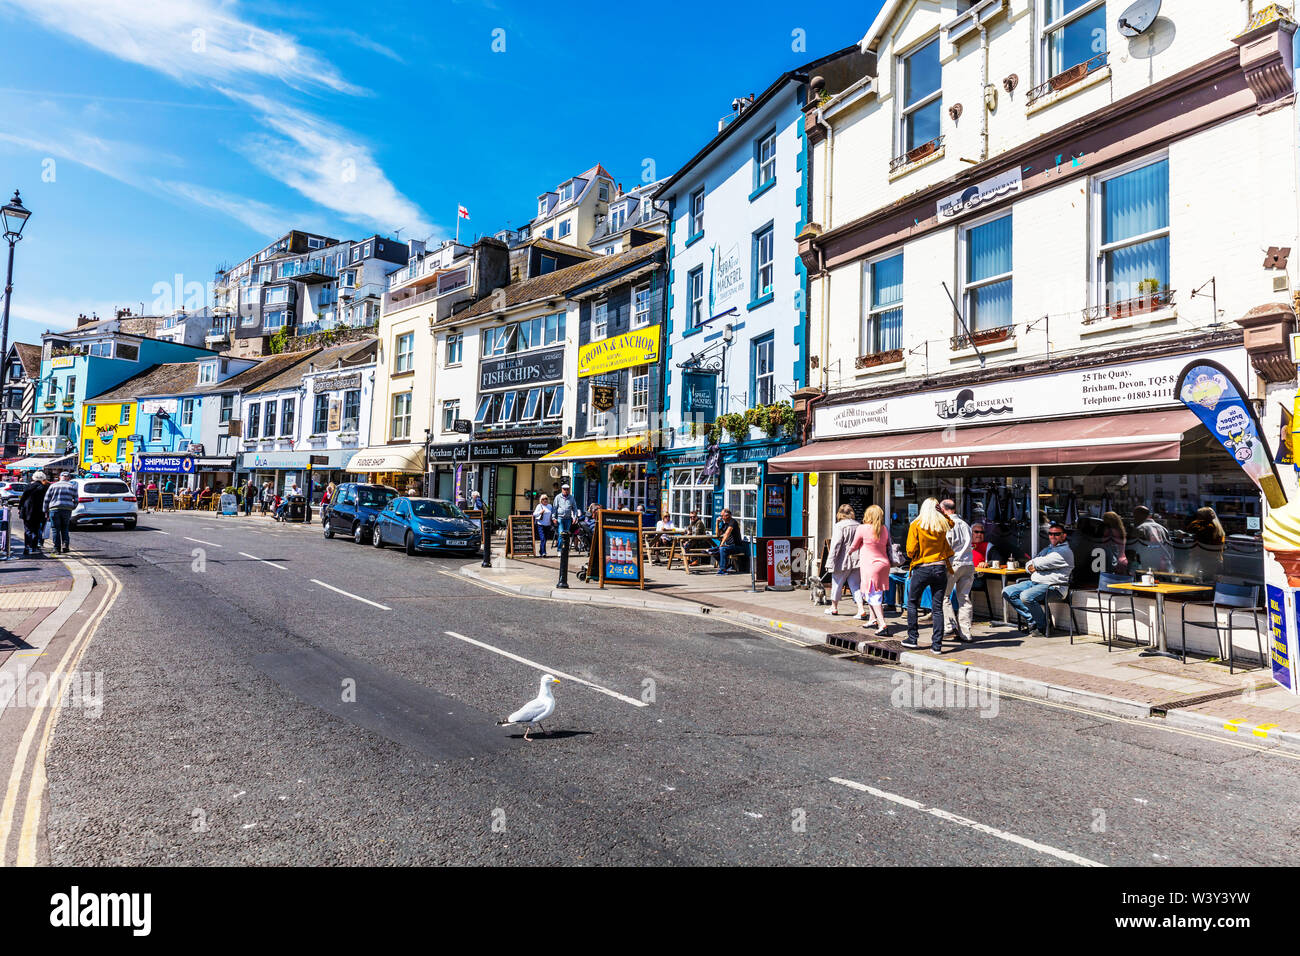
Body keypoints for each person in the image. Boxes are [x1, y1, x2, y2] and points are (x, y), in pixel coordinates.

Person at [1003, 522, 1075, 635]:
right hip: (1035, 582)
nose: (1052, 536)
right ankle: (1034, 621)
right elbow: (1030, 563)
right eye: (1050, 534)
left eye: (1056, 534)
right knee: (1008, 591)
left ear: (1064, 536)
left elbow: (1040, 563)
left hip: (1054, 587)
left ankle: (1043, 626)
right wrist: (1032, 565)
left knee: (1026, 596)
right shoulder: (1048, 549)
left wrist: (1035, 565)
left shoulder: (1064, 552)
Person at [901, 497, 953, 654]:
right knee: (937, 608)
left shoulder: (916, 525)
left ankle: (912, 638)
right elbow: (952, 523)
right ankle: (937, 645)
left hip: (922, 568)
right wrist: (943, 514)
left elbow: (910, 551)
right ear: (937, 509)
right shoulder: (941, 525)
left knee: (912, 603)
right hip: (940, 568)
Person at [848, 504, 892, 632]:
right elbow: (888, 544)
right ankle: (872, 619)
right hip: (884, 564)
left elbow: (854, 545)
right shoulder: (884, 529)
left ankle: (882, 624)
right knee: (874, 592)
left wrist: (849, 552)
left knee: (873, 596)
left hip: (870, 565)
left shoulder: (862, 528)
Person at [940, 499, 976, 643]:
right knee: (964, 598)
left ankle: (950, 626)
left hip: (953, 563)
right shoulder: (965, 524)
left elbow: (947, 546)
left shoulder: (948, 525)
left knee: (943, 595)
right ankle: (966, 633)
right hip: (968, 563)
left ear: (943, 510)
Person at [826, 504, 865, 619]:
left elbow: (836, 545)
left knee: (837, 584)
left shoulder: (839, 526)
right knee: (856, 586)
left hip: (842, 560)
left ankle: (834, 607)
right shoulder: (859, 525)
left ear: (839, 514)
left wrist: (830, 562)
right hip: (857, 560)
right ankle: (861, 609)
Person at [44, 471, 77, 555]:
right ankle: (65, 545)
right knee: (65, 528)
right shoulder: (72, 486)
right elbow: (76, 500)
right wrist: (72, 507)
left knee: (55, 529)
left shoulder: (53, 485)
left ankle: (57, 548)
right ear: (69, 478)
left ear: (60, 477)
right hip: (67, 509)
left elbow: (47, 499)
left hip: (54, 509)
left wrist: (45, 510)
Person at [1132, 505, 1172, 571]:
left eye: (1135, 517)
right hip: (1164, 566)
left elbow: (1133, 551)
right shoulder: (1164, 529)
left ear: (1138, 516)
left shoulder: (1139, 529)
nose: (1134, 519)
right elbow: (1171, 549)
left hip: (1147, 568)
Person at [19, 472, 48, 557]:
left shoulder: (28, 486)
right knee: (36, 529)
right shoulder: (44, 488)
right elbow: (46, 500)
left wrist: (19, 508)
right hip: (39, 511)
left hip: (27, 511)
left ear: (33, 477)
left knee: (28, 530)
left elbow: (23, 498)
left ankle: (26, 547)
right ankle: (34, 547)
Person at [714, 508, 745, 575]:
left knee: (722, 549)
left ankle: (723, 569)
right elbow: (717, 535)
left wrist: (721, 544)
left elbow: (727, 533)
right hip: (729, 546)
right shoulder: (725, 524)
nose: (721, 517)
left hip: (737, 546)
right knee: (712, 550)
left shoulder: (733, 522)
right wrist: (717, 523)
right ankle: (727, 565)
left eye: (722, 516)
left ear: (728, 516)